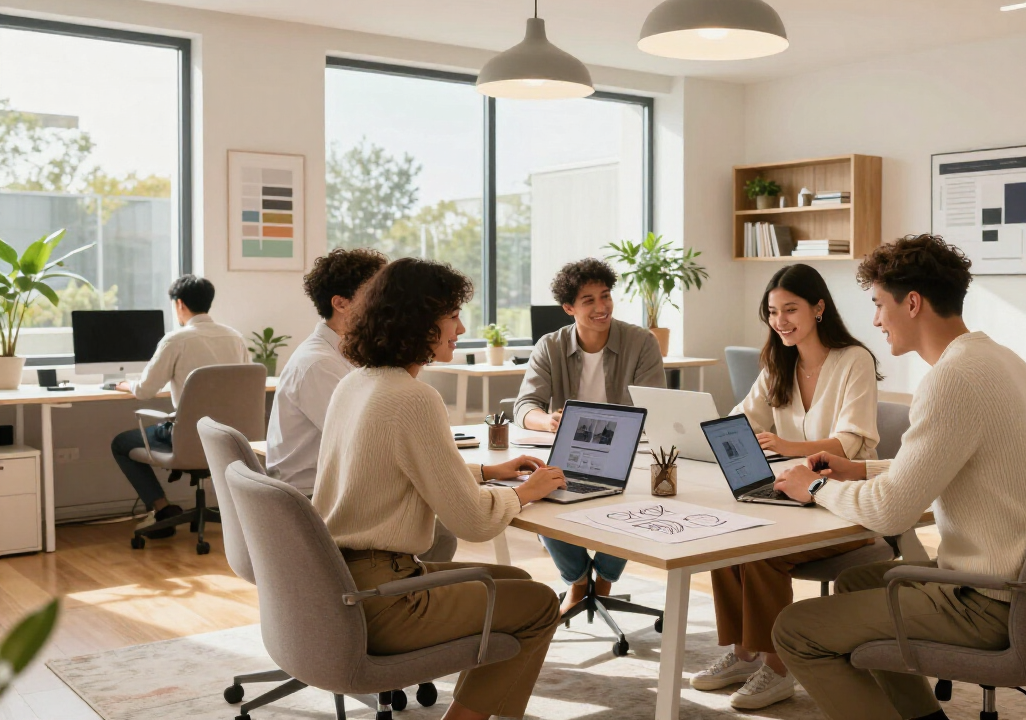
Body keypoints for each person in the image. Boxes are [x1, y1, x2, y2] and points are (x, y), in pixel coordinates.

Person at [769, 235, 1026, 720]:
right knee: (857, 581)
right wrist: (858, 469)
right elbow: (955, 461)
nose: (875, 320)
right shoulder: (1001, 360)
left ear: (912, 303)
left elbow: (891, 510)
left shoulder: (951, 379)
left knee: (795, 630)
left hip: (985, 599)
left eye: (879, 304)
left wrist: (817, 486)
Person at [313, 257, 566, 720]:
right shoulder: (413, 398)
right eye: (452, 315)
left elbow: (391, 471)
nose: (461, 326)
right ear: (419, 321)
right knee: (540, 605)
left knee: (517, 583)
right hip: (386, 599)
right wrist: (526, 492)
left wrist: (490, 474)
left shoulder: (356, 383)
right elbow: (471, 522)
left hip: (342, 583)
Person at [691, 263, 882, 710]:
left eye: (790, 309)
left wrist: (787, 444)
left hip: (842, 501)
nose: (780, 321)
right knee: (724, 534)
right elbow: (741, 419)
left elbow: (852, 443)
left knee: (759, 550)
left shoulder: (854, 360)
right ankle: (743, 654)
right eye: (773, 312)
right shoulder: (779, 361)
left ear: (819, 308)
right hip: (789, 494)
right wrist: (698, 432)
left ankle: (778, 669)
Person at [513, 258, 666, 614]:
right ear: (569, 308)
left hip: (629, 454)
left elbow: (654, 406)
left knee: (634, 498)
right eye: (589, 300)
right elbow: (525, 406)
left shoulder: (641, 342)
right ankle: (579, 581)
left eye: (606, 296)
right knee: (539, 496)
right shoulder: (550, 346)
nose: (602, 307)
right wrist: (548, 422)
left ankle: (606, 579)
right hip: (571, 453)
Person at [110, 275, 249, 539]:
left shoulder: (176, 340)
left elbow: (145, 390)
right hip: (229, 437)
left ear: (179, 304)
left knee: (120, 443)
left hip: (188, 437)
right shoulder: (236, 338)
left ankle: (162, 509)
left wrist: (126, 384)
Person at [265, 248, 387, 492]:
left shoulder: (345, 352)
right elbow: (360, 441)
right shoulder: (319, 365)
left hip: (333, 486)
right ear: (340, 303)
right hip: (311, 496)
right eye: (375, 295)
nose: (385, 305)